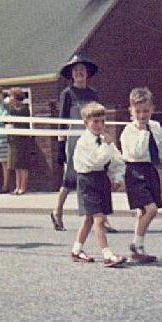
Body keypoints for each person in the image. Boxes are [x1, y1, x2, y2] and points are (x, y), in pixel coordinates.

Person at [50, 55, 116, 233]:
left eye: (82, 70)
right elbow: (62, 120)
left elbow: (98, 116)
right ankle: (57, 211)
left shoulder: (93, 94)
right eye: (75, 71)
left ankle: (102, 218)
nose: (79, 73)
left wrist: (103, 135)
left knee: (98, 174)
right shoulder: (67, 94)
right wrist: (60, 145)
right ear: (71, 74)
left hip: (92, 136)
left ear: (87, 73)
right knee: (71, 178)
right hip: (74, 139)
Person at [119, 87, 162, 262]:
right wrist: (142, 131)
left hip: (150, 170)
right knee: (151, 210)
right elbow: (136, 153)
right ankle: (136, 243)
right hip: (135, 171)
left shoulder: (157, 127)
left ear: (152, 109)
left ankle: (138, 250)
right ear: (131, 110)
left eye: (145, 111)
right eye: (138, 111)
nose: (142, 115)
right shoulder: (128, 131)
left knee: (142, 212)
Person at [71, 102, 126, 267]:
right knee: (99, 219)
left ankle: (76, 250)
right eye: (95, 122)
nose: (99, 125)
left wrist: (117, 177)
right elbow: (96, 161)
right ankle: (107, 254)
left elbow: (117, 159)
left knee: (89, 218)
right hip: (87, 180)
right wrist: (108, 145)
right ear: (86, 123)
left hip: (101, 179)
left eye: (102, 121)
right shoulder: (84, 142)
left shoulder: (104, 140)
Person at [5, 88, 33, 195]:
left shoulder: (24, 109)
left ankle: (23, 187)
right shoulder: (11, 109)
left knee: (23, 165)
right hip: (14, 139)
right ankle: (17, 187)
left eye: (11, 96)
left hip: (23, 139)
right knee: (16, 165)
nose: (10, 98)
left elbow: (20, 122)